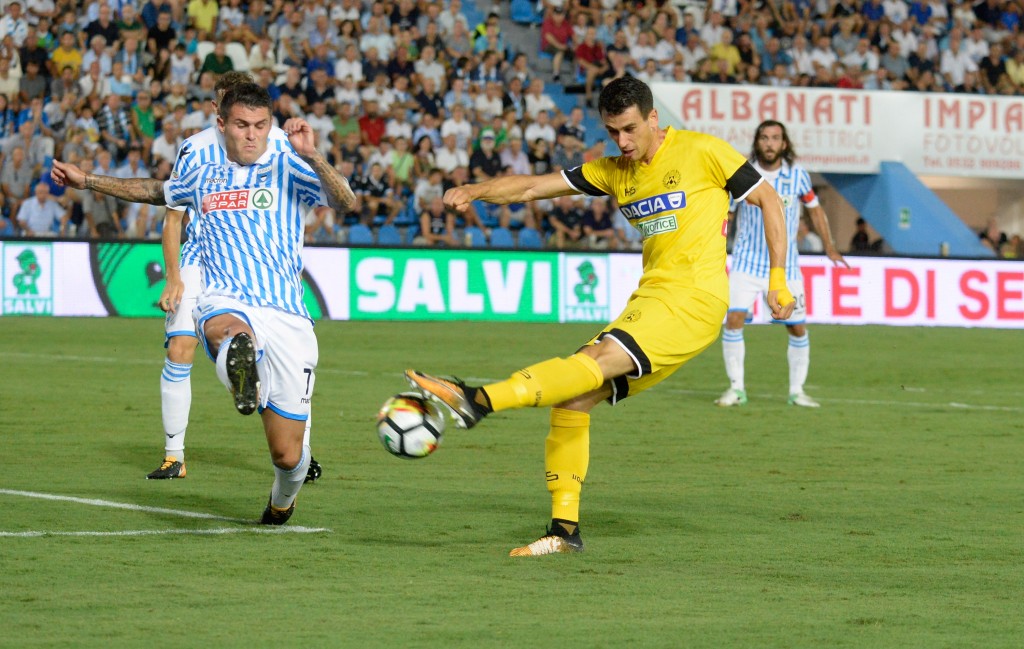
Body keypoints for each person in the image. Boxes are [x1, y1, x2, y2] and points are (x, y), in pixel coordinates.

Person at [405, 77, 794, 557]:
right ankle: (564, 532)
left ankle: (478, 399)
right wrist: (475, 189)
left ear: (654, 118)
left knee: (596, 357)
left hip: (694, 300)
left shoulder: (704, 152)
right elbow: (530, 187)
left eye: (630, 129)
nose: (623, 143)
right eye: (613, 132)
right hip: (650, 302)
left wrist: (778, 280)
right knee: (572, 400)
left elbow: (770, 200)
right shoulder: (613, 170)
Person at [51, 83, 356, 524]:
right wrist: (89, 180)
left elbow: (346, 202)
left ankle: (281, 502)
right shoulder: (203, 172)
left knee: (288, 456)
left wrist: (313, 155)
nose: (252, 135)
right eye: (241, 125)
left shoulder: (290, 163)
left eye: (260, 126)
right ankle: (239, 363)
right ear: (221, 125)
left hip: (288, 317)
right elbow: (156, 190)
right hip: (226, 300)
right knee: (223, 328)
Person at [145, 71, 324, 484]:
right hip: (200, 256)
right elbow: (173, 214)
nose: (245, 129)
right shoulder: (193, 149)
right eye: (232, 112)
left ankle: (302, 448)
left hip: (260, 266)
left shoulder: (278, 142)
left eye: (254, 120)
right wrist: (173, 276)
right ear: (219, 112)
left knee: (288, 352)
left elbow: (306, 192)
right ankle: (175, 454)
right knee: (180, 347)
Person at [715, 120, 849, 410]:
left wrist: (829, 246)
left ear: (784, 144)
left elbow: (815, 210)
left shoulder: (798, 176)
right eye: (764, 138)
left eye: (775, 138)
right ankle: (736, 388)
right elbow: (727, 213)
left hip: (786, 268)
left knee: (796, 328)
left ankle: (796, 391)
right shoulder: (742, 174)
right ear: (757, 142)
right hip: (746, 263)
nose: (769, 143)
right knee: (734, 320)